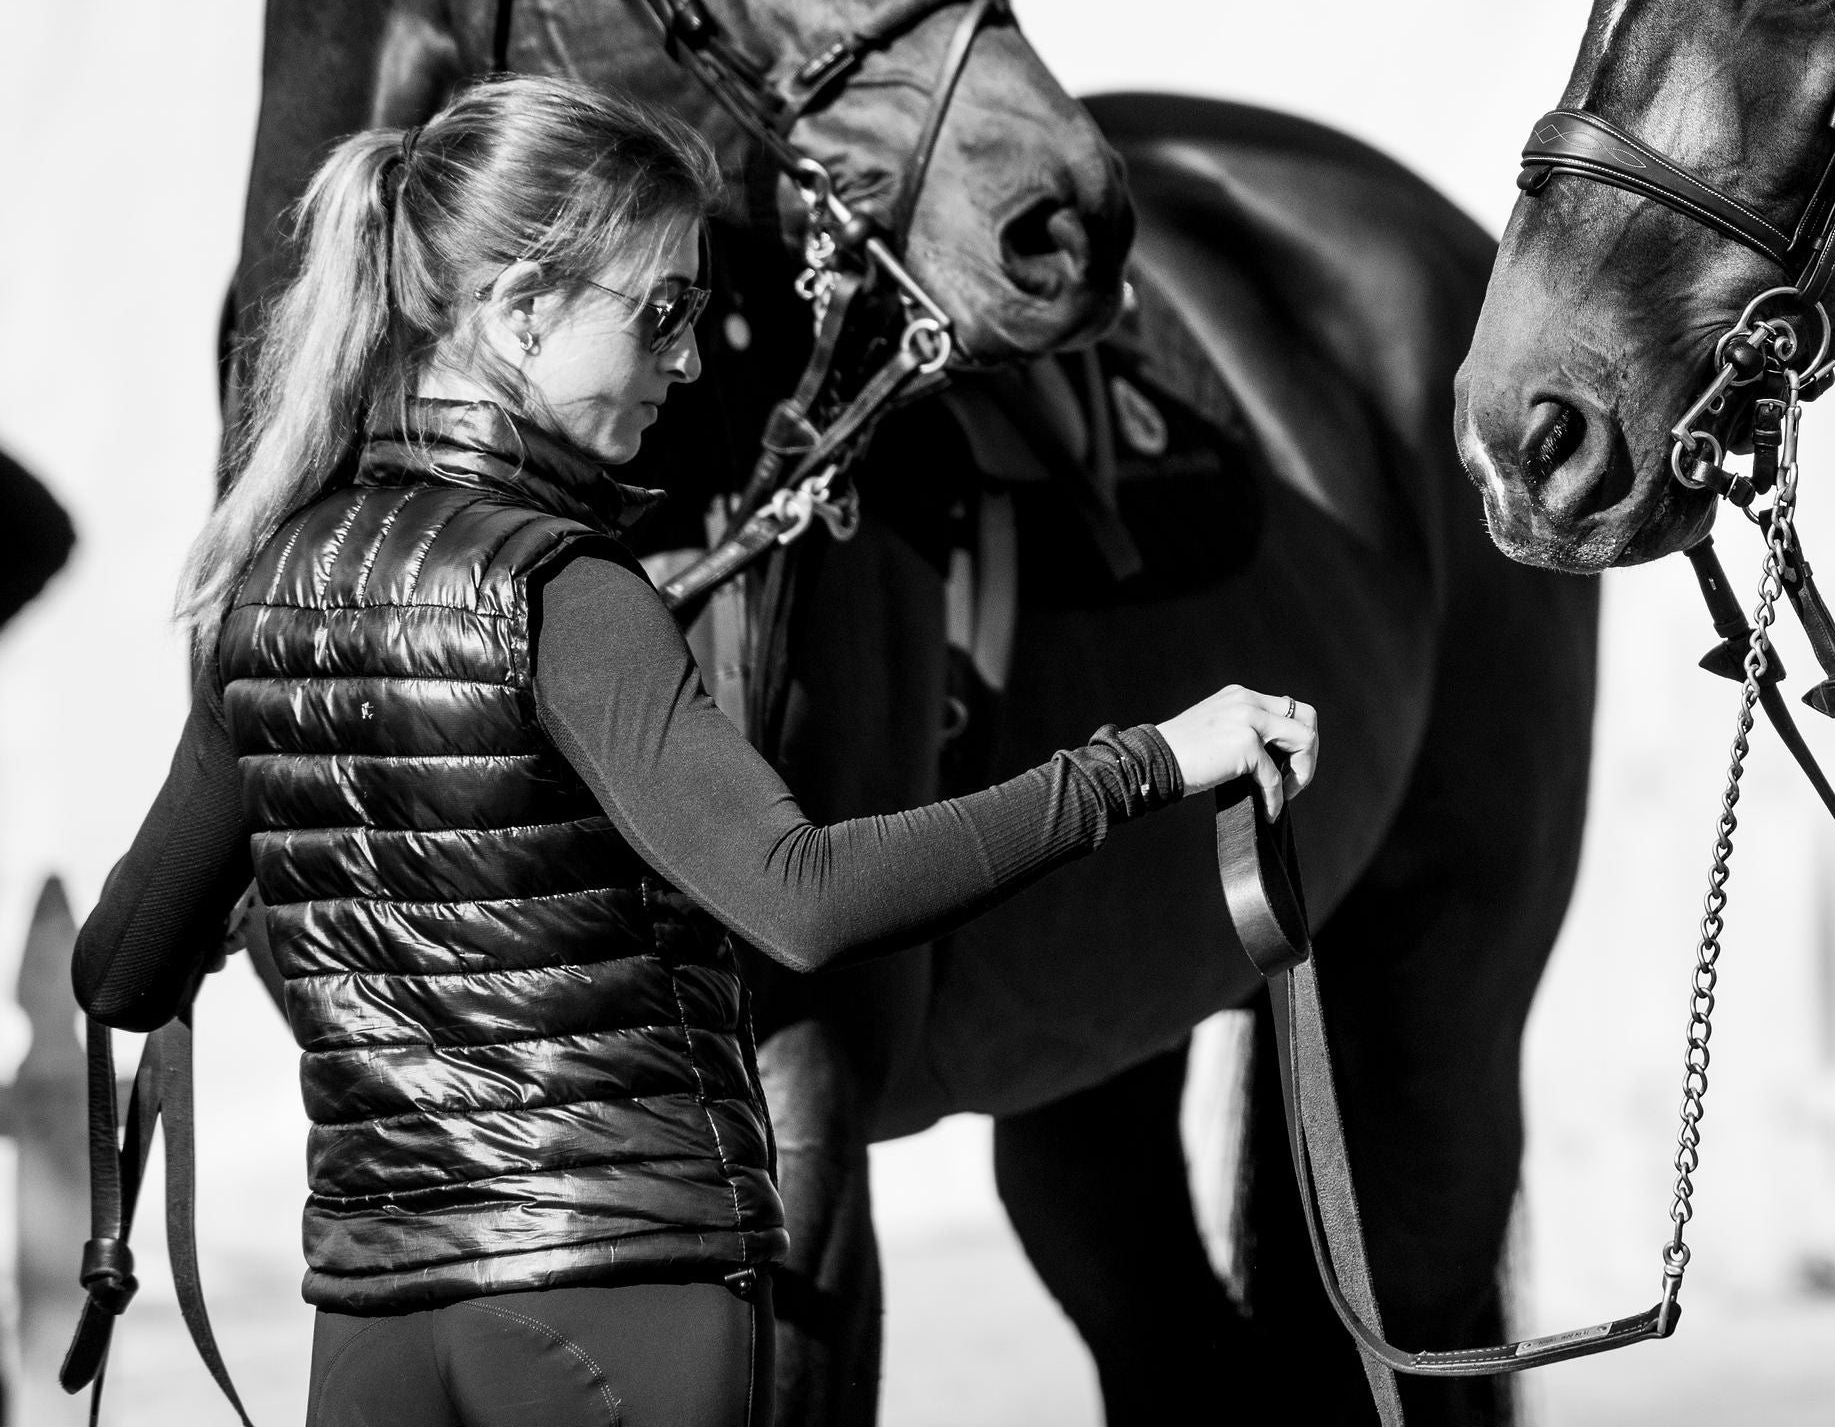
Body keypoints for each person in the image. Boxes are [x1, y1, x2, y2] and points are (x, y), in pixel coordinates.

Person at [76, 75, 1319, 1427]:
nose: (683, 362)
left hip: (372, 1325)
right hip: (615, 1300)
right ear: (519, 311)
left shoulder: (265, 585)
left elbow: (123, 969)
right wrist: (1141, 761)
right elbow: (802, 897)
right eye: (658, 314)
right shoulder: (567, 590)